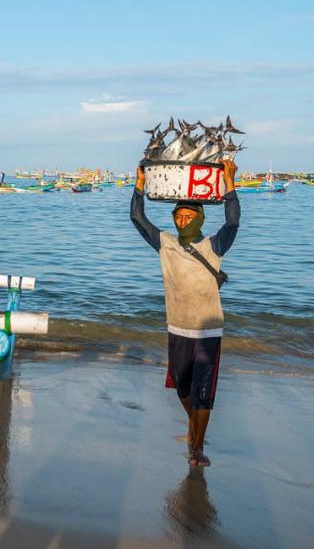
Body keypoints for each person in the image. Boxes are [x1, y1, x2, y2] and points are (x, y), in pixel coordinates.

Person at [130, 159, 240, 467]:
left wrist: (229, 184)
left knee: (203, 391)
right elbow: (137, 218)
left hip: (208, 330)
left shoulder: (214, 245)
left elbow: (232, 223)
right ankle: (194, 423)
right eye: (178, 216)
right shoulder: (165, 244)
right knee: (181, 386)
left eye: (188, 216)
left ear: (199, 217)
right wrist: (139, 183)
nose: (182, 221)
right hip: (177, 328)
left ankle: (197, 447)